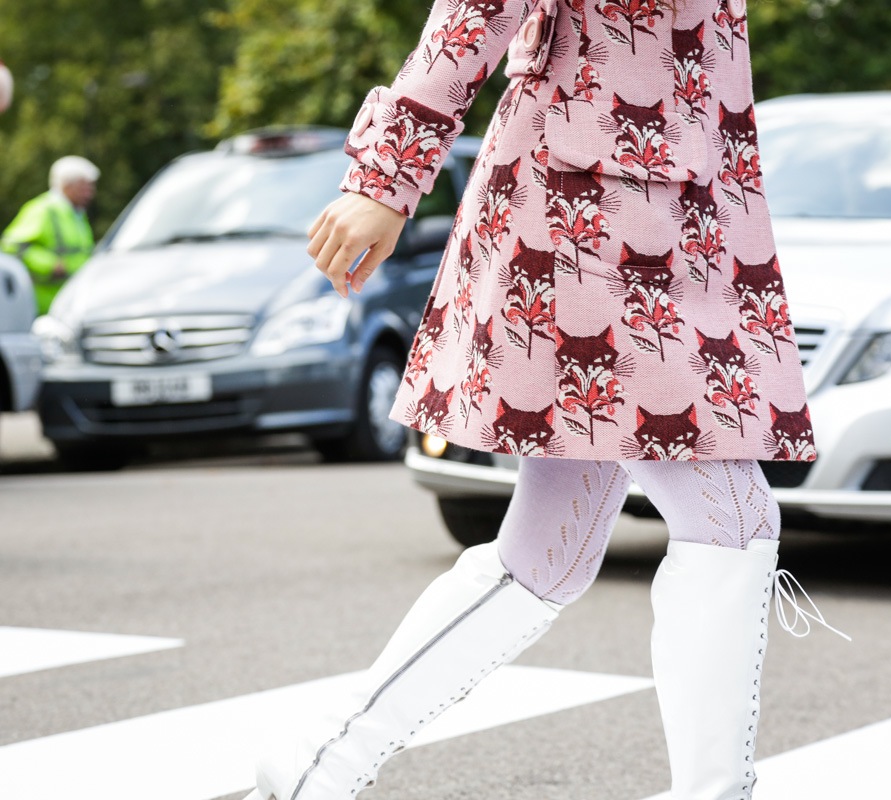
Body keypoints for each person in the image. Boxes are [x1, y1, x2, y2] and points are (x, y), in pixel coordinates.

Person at [246, 0, 848, 796]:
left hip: (675, 220)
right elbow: (475, 12)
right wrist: (385, 181)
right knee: (731, 519)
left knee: (547, 555)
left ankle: (318, 762)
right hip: (588, 218)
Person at [0, 155, 99, 315]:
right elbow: (10, 246)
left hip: (73, 302)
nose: (90, 193)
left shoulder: (77, 214)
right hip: (44, 306)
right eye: (84, 187)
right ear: (67, 186)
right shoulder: (42, 209)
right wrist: (50, 265)